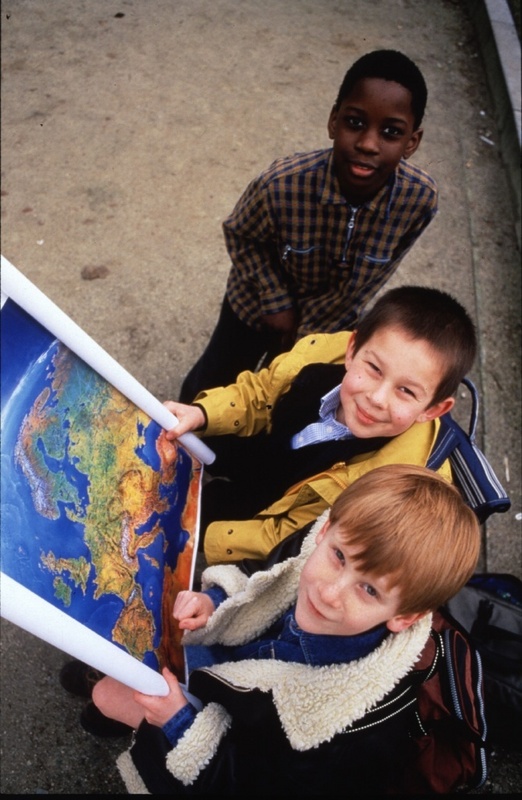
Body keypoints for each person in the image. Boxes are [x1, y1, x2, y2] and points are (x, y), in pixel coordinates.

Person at [90, 465, 481, 794]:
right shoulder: (312, 558)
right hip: (237, 680)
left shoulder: (345, 728)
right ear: (325, 531)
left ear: (404, 617)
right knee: (116, 672)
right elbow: (265, 587)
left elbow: (252, 784)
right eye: (339, 557)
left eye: (368, 590)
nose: (328, 592)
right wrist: (216, 604)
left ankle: (109, 716)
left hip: (232, 747)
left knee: (107, 694)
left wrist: (179, 722)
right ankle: (109, 707)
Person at [179, 49, 438, 404]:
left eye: (390, 132)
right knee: (216, 379)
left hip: (327, 321)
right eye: (355, 123)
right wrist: (276, 301)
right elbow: (240, 234)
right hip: (253, 305)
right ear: (334, 121)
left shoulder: (418, 200)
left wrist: (309, 332)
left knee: (284, 393)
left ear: (412, 142)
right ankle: (184, 438)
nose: (367, 143)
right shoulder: (281, 184)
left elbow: (372, 277)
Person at [166, 286, 477, 565]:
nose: (377, 398)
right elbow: (260, 394)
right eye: (373, 369)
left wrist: (197, 539)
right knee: (193, 446)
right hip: (265, 456)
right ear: (352, 350)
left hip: (277, 519)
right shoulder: (319, 354)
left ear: (434, 409)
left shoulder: (393, 488)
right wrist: (203, 413)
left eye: (406, 391)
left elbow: (291, 541)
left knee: (186, 520)